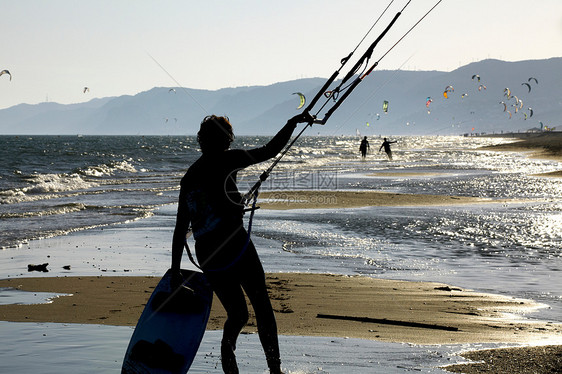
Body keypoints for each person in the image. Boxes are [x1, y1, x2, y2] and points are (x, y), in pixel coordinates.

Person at [171, 113, 312, 374]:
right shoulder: (227, 160)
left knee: (238, 315)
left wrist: (175, 270)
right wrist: (290, 123)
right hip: (235, 247)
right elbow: (269, 150)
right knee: (261, 306)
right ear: (226, 140)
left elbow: (181, 228)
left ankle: (228, 350)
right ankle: (274, 369)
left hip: (210, 256)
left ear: (202, 139)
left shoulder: (189, 177)